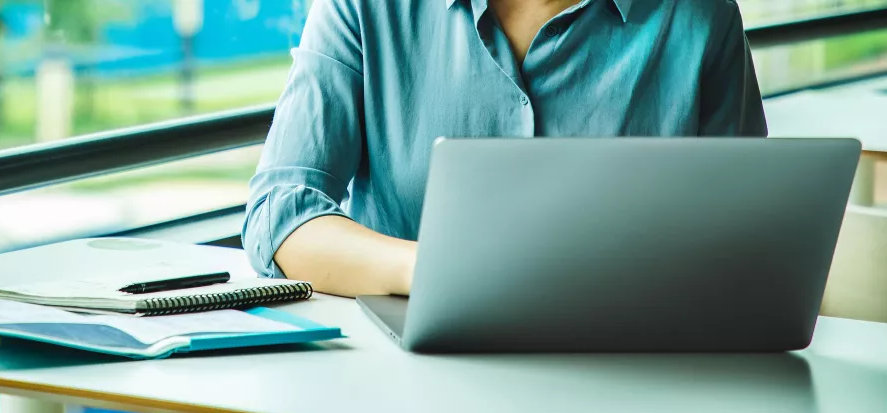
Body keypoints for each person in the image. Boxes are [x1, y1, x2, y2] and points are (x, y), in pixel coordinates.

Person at [242, 0, 768, 297]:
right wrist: (438, 271)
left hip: (635, 372)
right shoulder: (363, 8)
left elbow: (752, 241)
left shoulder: (701, 19)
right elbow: (282, 213)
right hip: (407, 382)